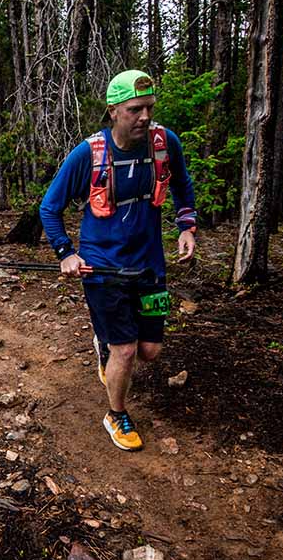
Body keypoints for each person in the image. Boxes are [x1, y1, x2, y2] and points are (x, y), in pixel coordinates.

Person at [39, 69, 197, 451]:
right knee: (125, 350)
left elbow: (182, 185)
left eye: (149, 108)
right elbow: (49, 208)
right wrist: (66, 252)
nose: (145, 117)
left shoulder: (165, 143)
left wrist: (187, 227)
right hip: (101, 266)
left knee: (149, 351)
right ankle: (116, 414)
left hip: (150, 264)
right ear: (113, 111)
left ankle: (105, 344)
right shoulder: (89, 154)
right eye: (134, 109)